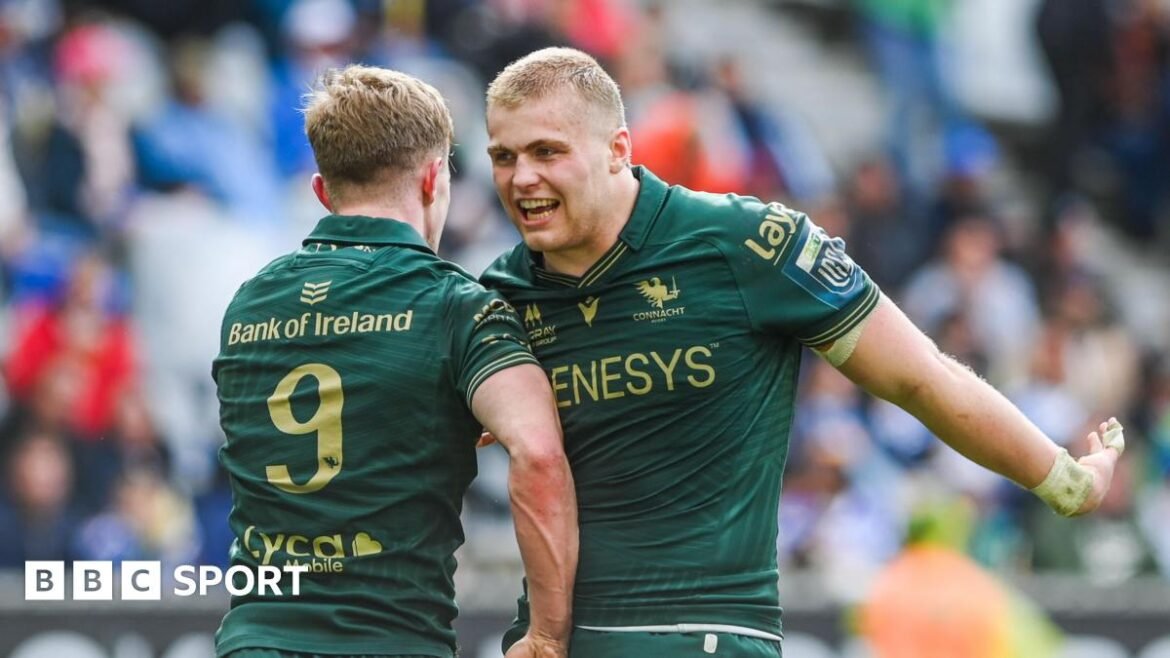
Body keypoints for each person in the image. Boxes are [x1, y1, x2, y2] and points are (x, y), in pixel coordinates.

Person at [478, 47, 1124, 658]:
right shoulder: (498, 295)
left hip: (703, 635)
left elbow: (922, 380)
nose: (521, 178)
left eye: (546, 152)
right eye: (503, 157)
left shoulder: (750, 245)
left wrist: (1065, 479)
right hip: (549, 640)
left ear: (618, 149)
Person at [212, 65, 577, 658]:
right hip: (388, 639)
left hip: (254, 642)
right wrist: (546, 633)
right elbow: (537, 453)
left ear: (323, 192)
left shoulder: (249, 303)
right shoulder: (454, 305)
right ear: (435, 179)